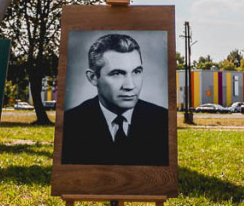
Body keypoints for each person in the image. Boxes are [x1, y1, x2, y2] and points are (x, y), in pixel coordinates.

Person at [61, 33, 169, 166]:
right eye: (117, 73)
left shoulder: (163, 120)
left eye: (136, 72)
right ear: (93, 77)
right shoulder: (70, 124)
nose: (130, 86)